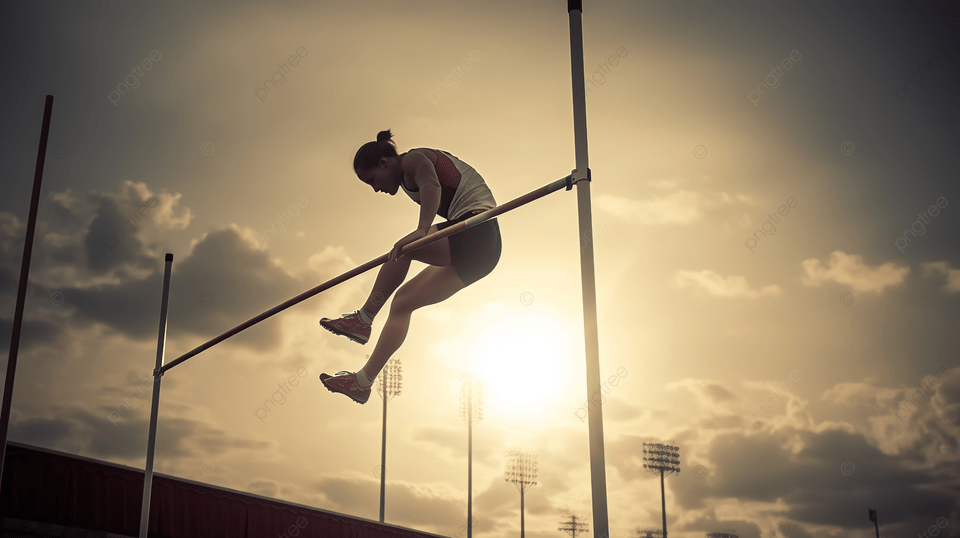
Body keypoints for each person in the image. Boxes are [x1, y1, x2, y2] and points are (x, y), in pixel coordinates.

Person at [319, 129, 501, 404]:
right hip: (482, 255)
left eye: (372, 180)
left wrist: (422, 230)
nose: (375, 189)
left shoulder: (412, 160)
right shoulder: (404, 177)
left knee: (403, 249)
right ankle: (362, 382)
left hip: (478, 229)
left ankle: (363, 319)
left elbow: (432, 185)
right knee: (402, 302)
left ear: (384, 162)